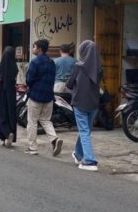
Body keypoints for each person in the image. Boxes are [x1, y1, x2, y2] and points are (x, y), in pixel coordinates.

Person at [66, 40, 103, 172]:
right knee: (86, 130)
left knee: (84, 131)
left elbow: (69, 84)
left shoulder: (78, 66)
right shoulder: (99, 68)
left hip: (79, 103)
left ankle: (89, 161)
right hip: (93, 103)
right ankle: (78, 154)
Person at [25, 39, 62, 156]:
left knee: (32, 122)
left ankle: (32, 147)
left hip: (36, 96)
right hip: (49, 96)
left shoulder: (35, 62)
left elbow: (29, 80)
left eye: (34, 47)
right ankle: (54, 139)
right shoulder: (52, 62)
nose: (33, 49)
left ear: (39, 49)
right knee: (46, 120)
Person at [0, 46, 19, 147]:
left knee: (0, 114)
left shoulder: (0, 67)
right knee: (10, 115)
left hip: (1, 94)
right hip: (11, 94)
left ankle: (7, 134)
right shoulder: (15, 68)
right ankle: (4, 139)